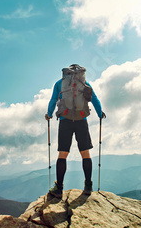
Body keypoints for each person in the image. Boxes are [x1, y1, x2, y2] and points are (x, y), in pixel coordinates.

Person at [45, 64, 105, 197]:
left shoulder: (59, 84)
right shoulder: (85, 84)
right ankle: (88, 186)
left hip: (65, 121)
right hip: (81, 121)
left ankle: (59, 188)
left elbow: (54, 100)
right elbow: (94, 99)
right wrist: (100, 113)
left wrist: (49, 114)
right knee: (85, 153)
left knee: (63, 154)